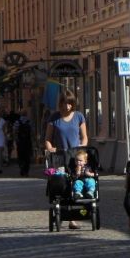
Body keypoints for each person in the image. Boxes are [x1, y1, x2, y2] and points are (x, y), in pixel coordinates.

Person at [45, 91, 88, 229]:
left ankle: (72, 219)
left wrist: (83, 146)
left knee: (75, 184)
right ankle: (60, 212)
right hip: (59, 157)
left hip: (75, 156)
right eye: (65, 103)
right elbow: (47, 139)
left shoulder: (79, 116)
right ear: (61, 103)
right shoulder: (54, 118)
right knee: (62, 185)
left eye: (70, 103)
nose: (67, 106)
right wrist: (50, 148)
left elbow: (85, 136)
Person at [14, 108, 34, 177]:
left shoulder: (17, 122)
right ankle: (26, 170)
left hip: (20, 141)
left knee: (20, 155)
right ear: (26, 114)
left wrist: (16, 139)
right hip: (27, 141)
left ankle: (21, 167)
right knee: (27, 156)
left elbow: (15, 131)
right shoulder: (29, 121)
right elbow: (32, 132)